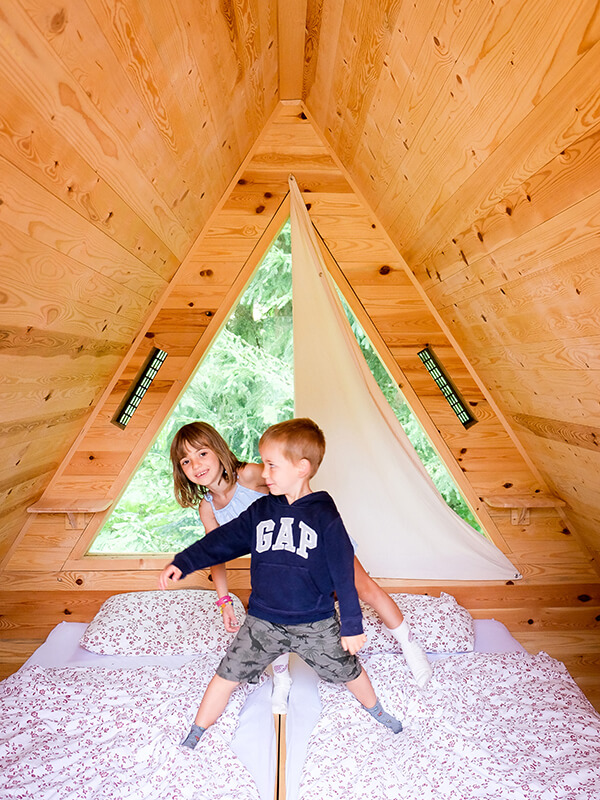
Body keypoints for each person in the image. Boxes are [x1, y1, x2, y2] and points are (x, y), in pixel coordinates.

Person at [159, 418, 404, 749]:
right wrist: (183, 562)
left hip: (314, 621)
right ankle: (196, 732)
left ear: (302, 468)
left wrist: (352, 625)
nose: (264, 473)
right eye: (265, 465)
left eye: (272, 466)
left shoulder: (324, 514)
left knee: (350, 671)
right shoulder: (261, 510)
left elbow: (343, 574)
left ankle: (377, 711)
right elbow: (221, 541)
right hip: (262, 621)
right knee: (225, 675)